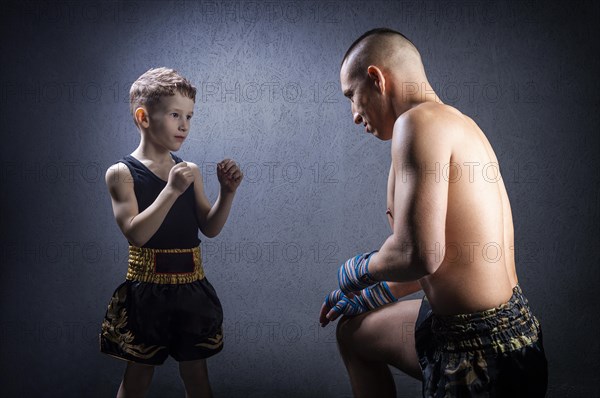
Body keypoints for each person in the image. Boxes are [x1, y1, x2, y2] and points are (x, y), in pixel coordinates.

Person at [319, 28, 548, 397]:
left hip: (479, 354)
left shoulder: (417, 123)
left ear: (376, 78)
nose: (353, 114)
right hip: (515, 333)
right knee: (354, 332)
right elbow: (446, 258)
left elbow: (419, 253)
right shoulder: (459, 125)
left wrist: (354, 273)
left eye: (351, 96)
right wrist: (371, 296)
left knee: (355, 328)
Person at [99, 67, 243, 398]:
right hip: (147, 290)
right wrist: (170, 191)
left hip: (192, 287)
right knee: (137, 376)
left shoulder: (188, 170)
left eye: (189, 116)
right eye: (175, 114)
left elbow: (210, 228)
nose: (184, 125)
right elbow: (136, 234)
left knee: (197, 374)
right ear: (144, 117)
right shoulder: (121, 173)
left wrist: (228, 192)